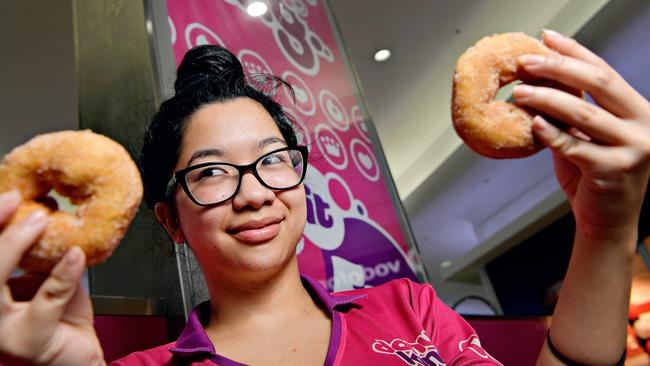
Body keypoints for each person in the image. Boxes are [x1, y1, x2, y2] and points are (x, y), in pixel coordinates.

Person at [0, 29, 649, 365]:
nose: (254, 193)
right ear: (171, 219)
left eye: (273, 161)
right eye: (213, 173)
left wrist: (605, 231)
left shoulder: (409, 311)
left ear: (300, 181)